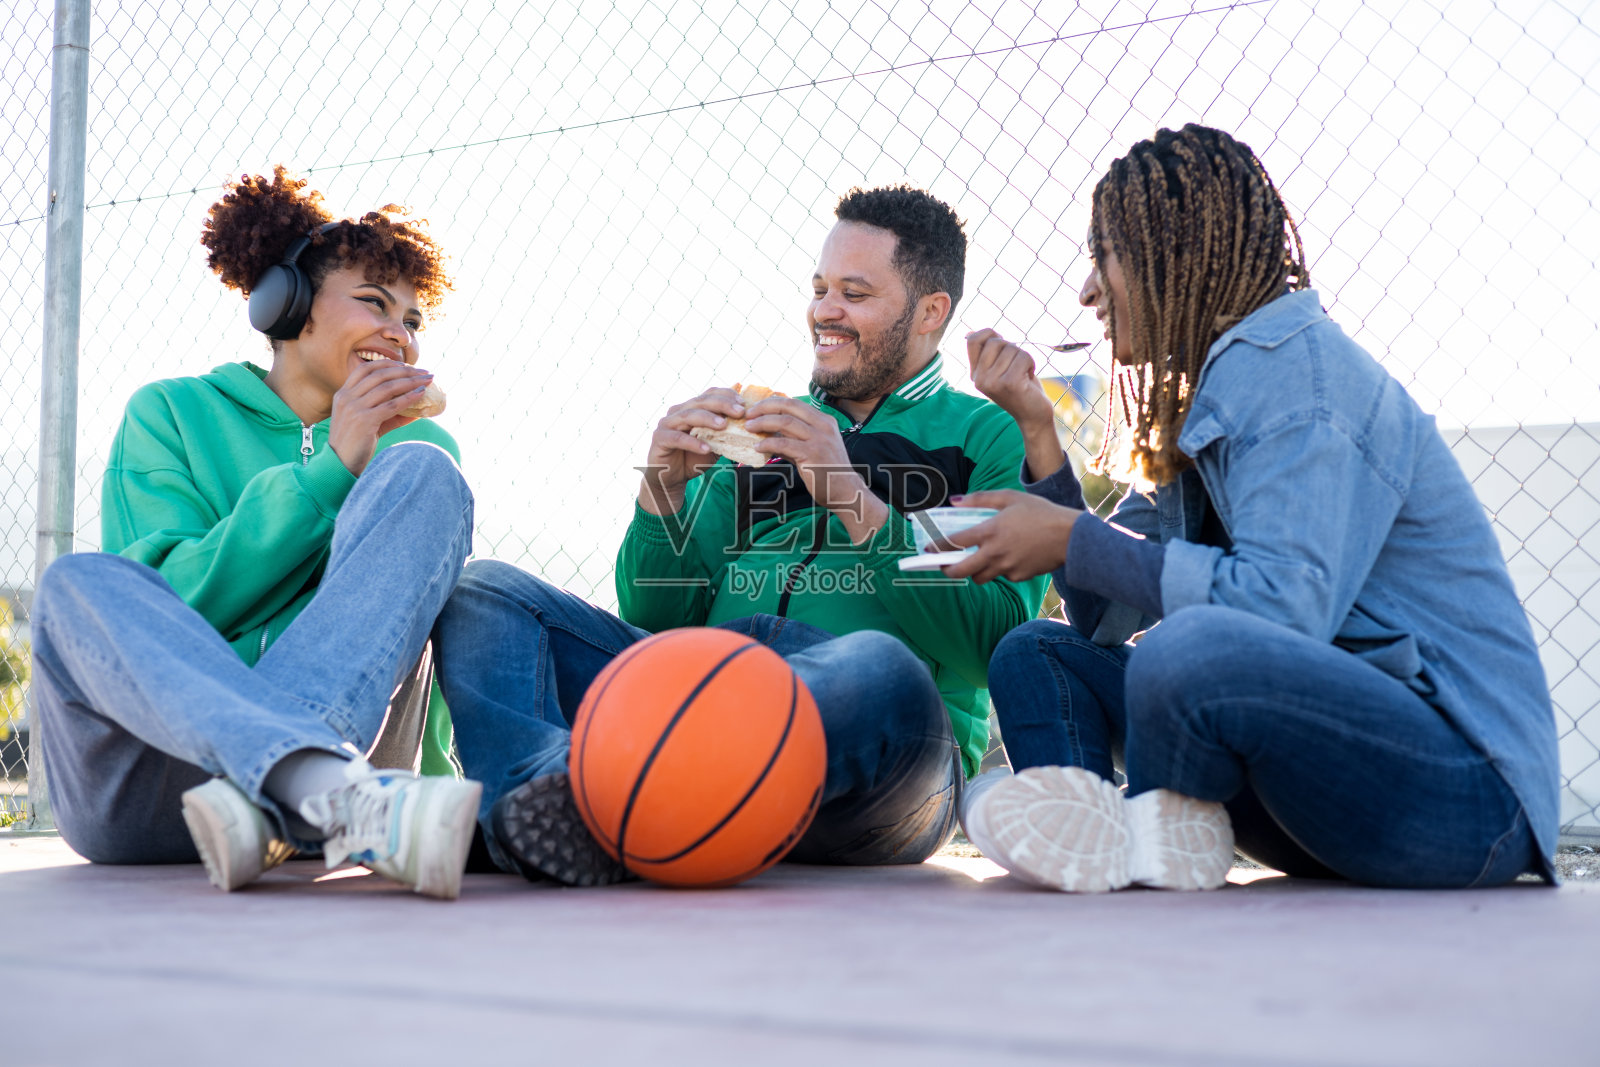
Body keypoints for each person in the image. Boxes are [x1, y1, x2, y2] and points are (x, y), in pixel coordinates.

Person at [948, 124, 1558, 891]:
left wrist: (1073, 536)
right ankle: (1095, 846)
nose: (1087, 290)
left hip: (1468, 797)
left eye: (1103, 254)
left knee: (1186, 650)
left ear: (1171, 249)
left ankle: (1152, 839)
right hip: (1327, 785)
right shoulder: (1212, 392)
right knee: (1037, 650)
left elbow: (1283, 607)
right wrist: (1039, 430)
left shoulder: (1297, 375)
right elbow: (1102, 620)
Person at [433, 185, 1048, 885]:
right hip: (706, 684)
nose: (824, 311)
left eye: (855, 293)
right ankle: (546, 796)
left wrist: (849, 493)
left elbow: (988, 644)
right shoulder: (761, 433)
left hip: (884, 756)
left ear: (929, 311)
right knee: (484, 593)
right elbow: (657, 621)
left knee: (884, 668)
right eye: (820, 288)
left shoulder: (983, 436)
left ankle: (594, 794)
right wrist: (662, 487)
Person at [30, 167, 482, 899]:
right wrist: (330, 470)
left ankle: (308, 794)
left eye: (411, 319)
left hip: (358, 773)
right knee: (77, 584)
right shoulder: (170, 414)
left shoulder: (414, 456)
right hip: (158, 789)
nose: (398, 334)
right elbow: (177, 605)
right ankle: (310, 785)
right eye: (374, 303)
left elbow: (396, 641)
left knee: (430, 473)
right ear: (287, 307)